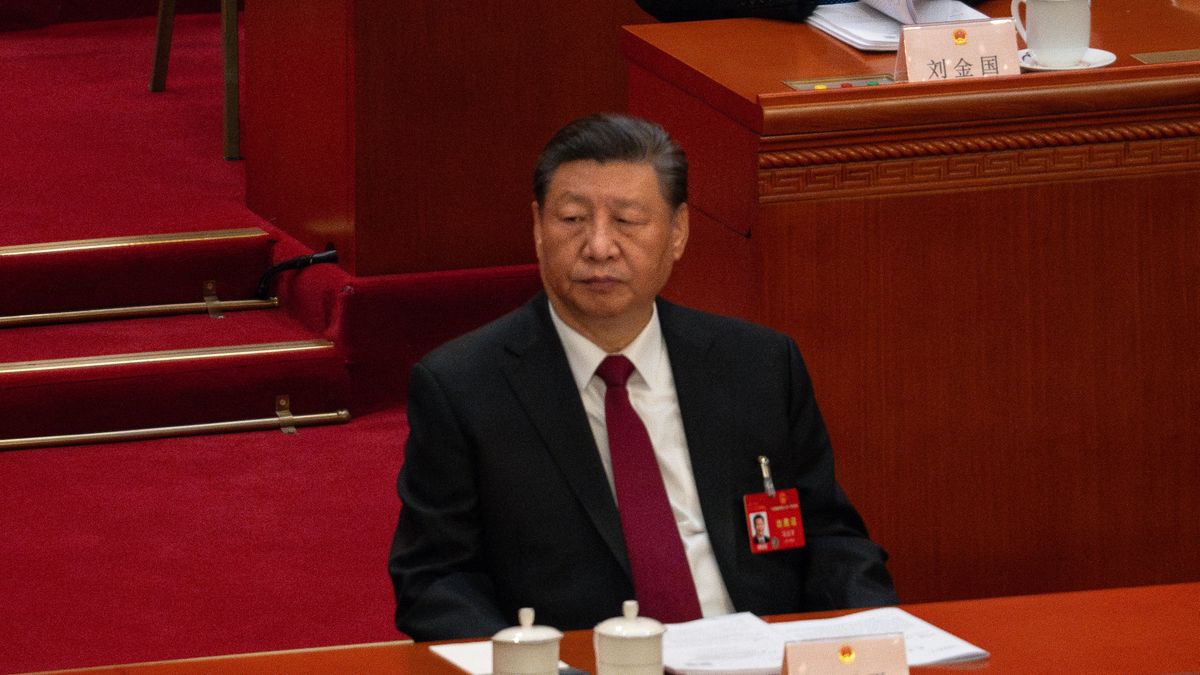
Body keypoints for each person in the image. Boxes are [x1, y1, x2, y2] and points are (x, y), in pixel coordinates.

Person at [388, 113, 896, 641]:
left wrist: (873, 633)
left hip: (757, 652)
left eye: (627, 221)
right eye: (571, 219)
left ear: (678, 232)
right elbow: (434, 582)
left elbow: (829, 535)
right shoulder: (465, 387)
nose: (599, 246)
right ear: (537, 229)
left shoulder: (758, 364)